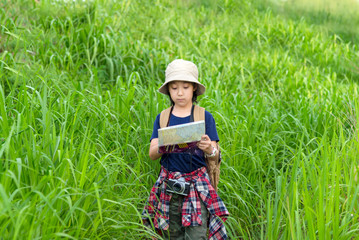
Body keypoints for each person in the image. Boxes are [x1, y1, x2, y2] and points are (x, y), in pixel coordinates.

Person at [142, 59, 229, 240]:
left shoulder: (204, 116)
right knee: (173, 234)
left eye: (185, 87)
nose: (179, 93)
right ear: (168, 90)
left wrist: (208, 148)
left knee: (197, 235)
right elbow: (152, 154)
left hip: (197, 186)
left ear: (194, 88)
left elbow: (216, 155)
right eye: (174, 88)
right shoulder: (163, 117)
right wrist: (165, 144)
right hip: (170, 186)